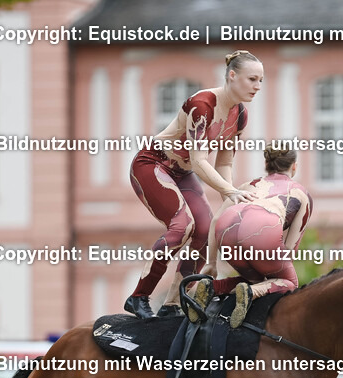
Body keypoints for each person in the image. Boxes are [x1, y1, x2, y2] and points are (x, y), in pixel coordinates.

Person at [124, 50, 264, 318]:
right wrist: (229, 190)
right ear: (232, 76)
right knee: (182, 226)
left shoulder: (240, 115)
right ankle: (139, 296)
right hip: (153, 165)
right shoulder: (203, 105)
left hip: (183, 173)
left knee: (203, 229)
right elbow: (200, 161)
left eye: (261, 81)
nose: (257, 87)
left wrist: (229, 199)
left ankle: (173, 304)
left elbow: (224, 163)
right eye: (252, 79)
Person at [197, 145, 313, 327]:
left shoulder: (247, 186)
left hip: (226, 229)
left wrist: (211, 263)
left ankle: (214, 288)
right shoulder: (301, 194)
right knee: (288, 282)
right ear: (294, 167)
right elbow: (289, 250)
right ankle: (251, 293)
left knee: (257, 280)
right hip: (261, 229)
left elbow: (215, 220)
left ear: (266, 163)